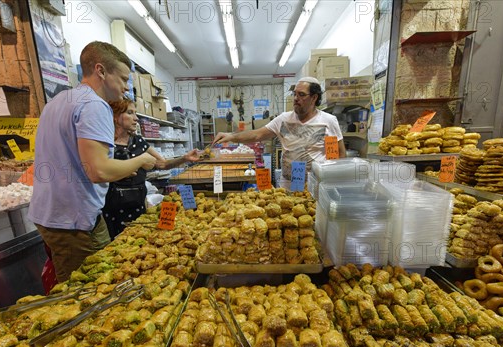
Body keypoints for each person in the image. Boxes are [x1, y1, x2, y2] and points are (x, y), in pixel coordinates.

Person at [28, 41, 157, 283]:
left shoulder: (59, 101)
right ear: (101, 71)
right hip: (73, 219)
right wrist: (140, 160)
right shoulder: (95, 106)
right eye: (123, 79)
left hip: (52, 214)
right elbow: (98, 170)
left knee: (78, 280)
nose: (126, 88)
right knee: (88, 289)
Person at [213, 77, 346, 189]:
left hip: (316, 186)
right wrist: (231, 136)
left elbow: (340, 153)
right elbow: (257, 134)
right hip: (288, 185)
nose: (295, 98)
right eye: (294, 94)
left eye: (301, 94)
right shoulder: (284, 119)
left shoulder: (328, 120)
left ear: (314, 98)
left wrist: (334, 184)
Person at [102, 98, 199, 238]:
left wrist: (185, 158)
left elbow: (162, 164)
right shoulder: (105, 144)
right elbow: (100, 172)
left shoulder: (138, 141)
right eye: (130, 113)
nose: (136, 118)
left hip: (137, 204)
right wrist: (127, 170)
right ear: (115, 117)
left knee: (140, 241)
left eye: (136, 113)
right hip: (113, 208)